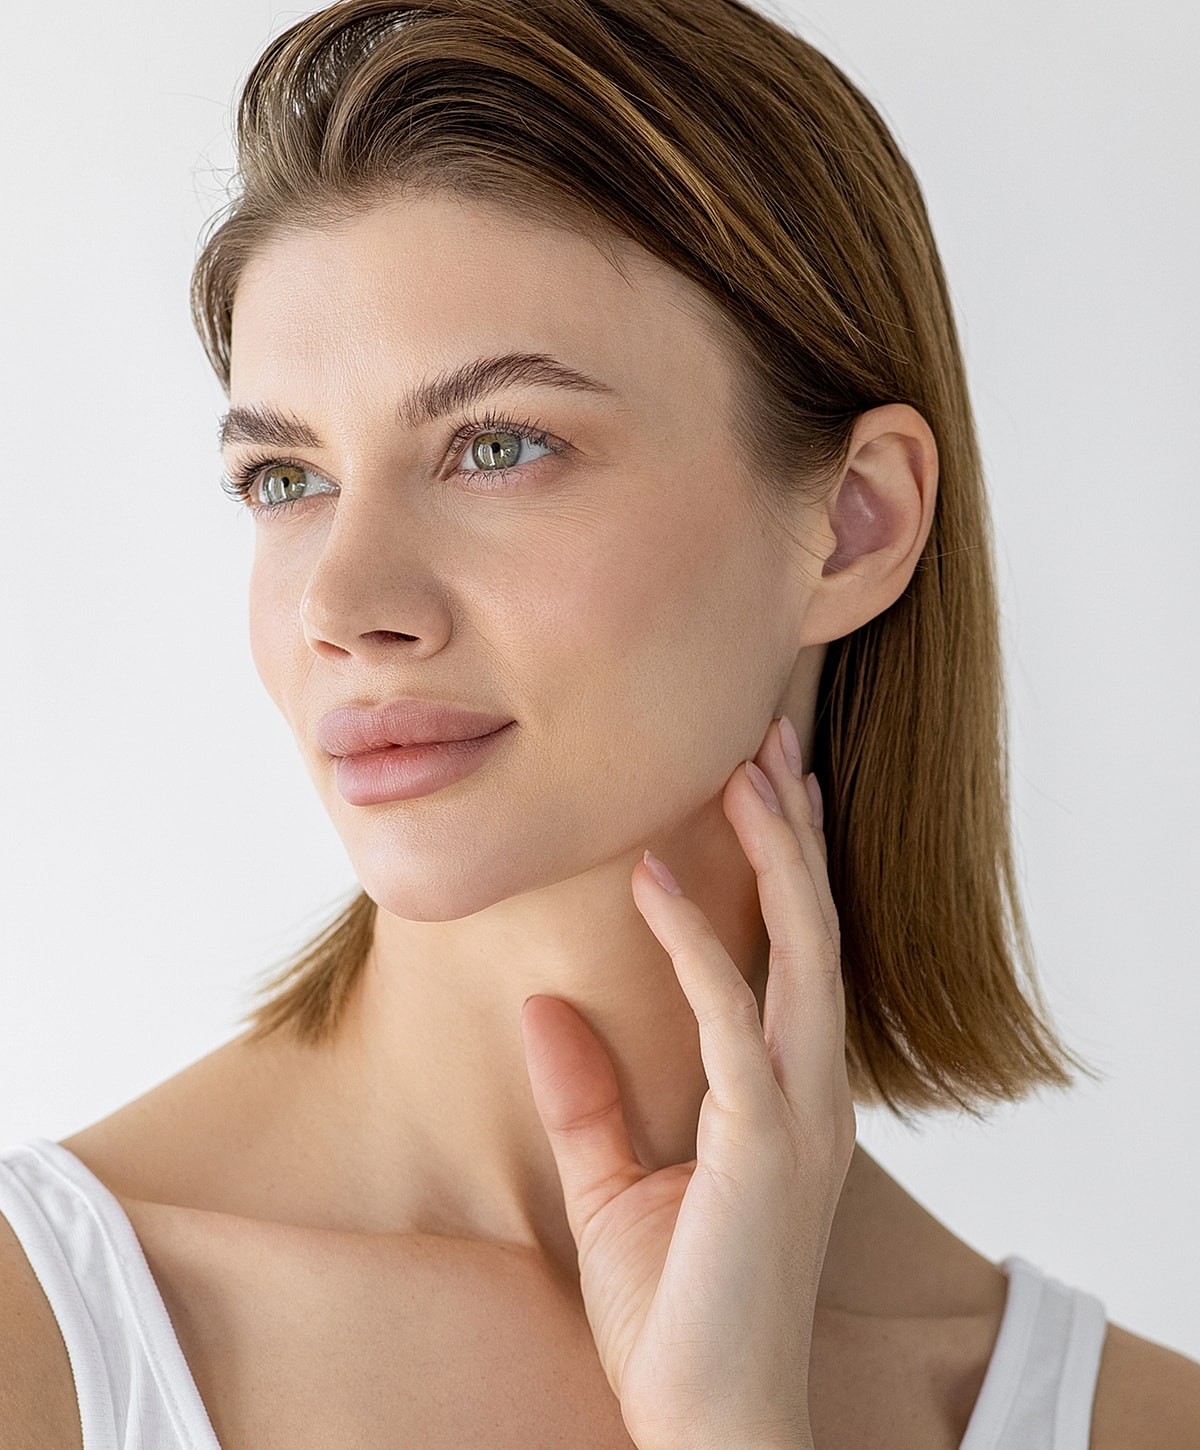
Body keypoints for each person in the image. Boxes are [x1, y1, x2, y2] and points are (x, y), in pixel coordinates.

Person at [1, 0, 1196, 1445]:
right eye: (284, 478)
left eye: (497, 446)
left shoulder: (1133, 1418)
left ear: (855, 523)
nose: (346, 601)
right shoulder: (43, 1340)